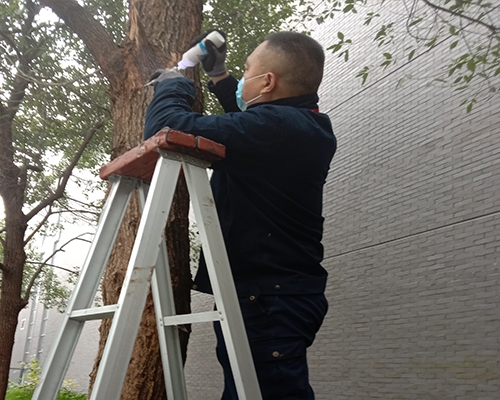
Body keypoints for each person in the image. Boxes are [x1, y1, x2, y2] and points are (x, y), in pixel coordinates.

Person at [144, 30, 337, 400]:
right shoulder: (292, 127)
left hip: (268, 297)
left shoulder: (278, 128)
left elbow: (165, 130)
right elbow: (246, 132)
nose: (242, 77)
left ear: (267, 82)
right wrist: (220, 78)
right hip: (268, 294)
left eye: (247, 71)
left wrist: (174, 85)